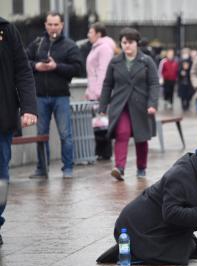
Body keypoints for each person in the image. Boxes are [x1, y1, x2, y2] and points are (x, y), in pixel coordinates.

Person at [96, 147, 197, 265]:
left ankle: (136, 248)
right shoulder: (181, 176)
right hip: (135, 227)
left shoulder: (196, 168)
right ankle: (134, 249)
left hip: (150, 223)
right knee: (183, 252)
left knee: (195, 249)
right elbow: (171, 214)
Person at [26, 11, 82, 179]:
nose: (52, 28)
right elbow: (23, 62)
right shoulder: (37, 43)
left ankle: (68, 169)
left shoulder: (70, 46)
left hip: (61, 96)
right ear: (45, 25)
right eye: (49, 24)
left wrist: (56, 67)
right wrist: (36, 66)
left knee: (65, 135)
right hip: (40, 96)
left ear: (62, 25)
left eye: (56, 24)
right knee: (41, 135)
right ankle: (42, 169)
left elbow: (78, 69)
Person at [99, 27, 159, 181]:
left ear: (137, 43)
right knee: (122, 133)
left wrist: (152, 104)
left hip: (141, 105)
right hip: (120, 105)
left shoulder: (147, 61)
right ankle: (119, 168)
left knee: (141, 137)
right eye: (124, 42)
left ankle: (141, 168)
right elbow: (107, 85)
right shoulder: (115, 61)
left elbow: (154, 84)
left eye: (130, 42)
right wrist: (103, 106)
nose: (127, 46)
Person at [0, 17, 38, 245]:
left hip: (2, 118)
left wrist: (29, 108)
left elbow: (23, 71)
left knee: (1, 176)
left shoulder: (6, 30)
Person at [85, 22, 116, 161]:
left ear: (98, 34)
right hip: (94, 91)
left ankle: (105, 153)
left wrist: (100, 93)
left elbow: (103, 71)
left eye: (90, 32)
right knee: (98, 123)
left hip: (99, 93)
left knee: (102, 123)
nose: (88, 35)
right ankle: (101, 152)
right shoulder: (96, 47)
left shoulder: (103, 48)